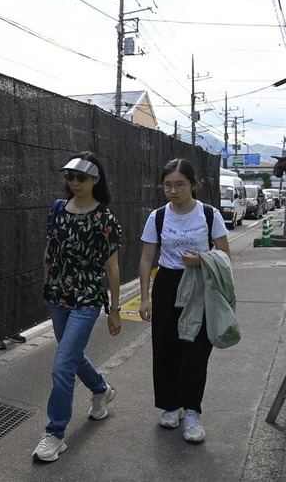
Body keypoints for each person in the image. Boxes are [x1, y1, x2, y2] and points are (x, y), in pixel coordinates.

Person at [32, 151, 123, 462]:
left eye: (80, 177)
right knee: (70, 356)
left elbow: (112, 269)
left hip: (86, 298)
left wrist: (114, 309)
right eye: (69, 177)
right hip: (57, 295)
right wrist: (47, 289)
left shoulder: (104, 217)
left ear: (96, 179)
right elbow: (49, 251)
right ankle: (100, 389)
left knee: (62, 366)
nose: (73, 182)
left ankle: (55, 433)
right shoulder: (58, 208)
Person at [137, 158, 231, 443]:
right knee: (165, 348)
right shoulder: (158, 216)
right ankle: (170, 406)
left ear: (193, 185)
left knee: (195, 352)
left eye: (180, 185)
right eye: (168, 185)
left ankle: (191, 411)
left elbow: (225, 255)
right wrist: (144, 297)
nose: (173, 191)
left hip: (200, 285)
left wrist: (201, 259)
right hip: (167, 284)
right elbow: (146, 258)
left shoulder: (209, 214)